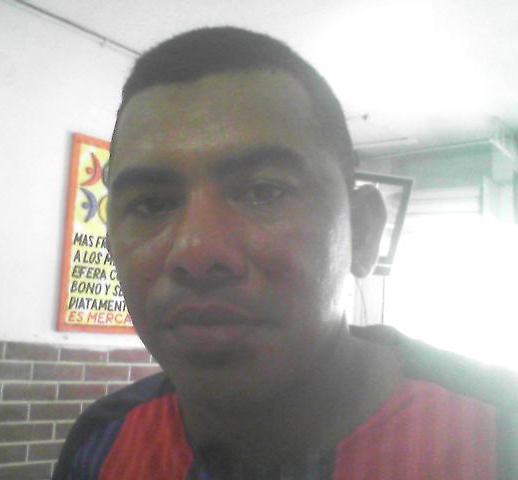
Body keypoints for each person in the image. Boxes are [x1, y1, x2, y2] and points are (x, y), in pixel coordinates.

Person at [53, 27, 517, 479]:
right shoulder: (101, 440)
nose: (197, 251)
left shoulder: (500, 435)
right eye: (151, 205)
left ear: (362, 232)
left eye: (262, 192)